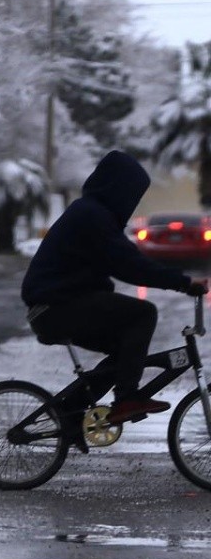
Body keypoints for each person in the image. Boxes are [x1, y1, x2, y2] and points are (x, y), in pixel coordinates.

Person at [22, 150, 208, 426]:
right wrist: (182, 283)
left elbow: (123, 261)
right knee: (143, 314)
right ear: (117, 188)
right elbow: (129, 264)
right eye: (131, 193)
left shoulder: (94, 214)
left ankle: (69, 413)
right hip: (54, 305)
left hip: (57, 304)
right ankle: (127, 399)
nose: (132, 202)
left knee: (126, 349)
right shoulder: (92, 215)